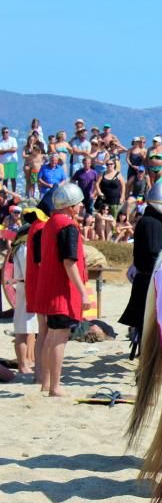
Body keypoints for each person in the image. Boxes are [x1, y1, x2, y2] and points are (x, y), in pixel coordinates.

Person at [35, 183, 92, 396]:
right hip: (61, 290)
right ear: (70, 206)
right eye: (78, 204)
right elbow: (69, 262)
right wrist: (83, 293)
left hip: (49, 287)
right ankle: (55, 386)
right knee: (59, 336)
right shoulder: (67, 227)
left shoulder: (50, 224)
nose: (80, 207)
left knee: (51, 336)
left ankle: (47, 383)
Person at [119, 183, 162, 351]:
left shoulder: (151, 221)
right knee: (149, 325)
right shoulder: (152, 224)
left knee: (147, 324)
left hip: (148, 279)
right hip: (150, 280)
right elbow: (155, 254)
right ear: (159, 204)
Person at [11, 207, 45, 376]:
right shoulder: (23, 249)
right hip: (26, 288)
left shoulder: (23, 247)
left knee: (29, 328)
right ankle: (23, 365)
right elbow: (27, 272)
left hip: (27, 288)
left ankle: (27, 362)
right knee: (23, 329)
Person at [0, 126, 19, 191]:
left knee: (13, 179)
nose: (5, 133)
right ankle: (5, 193)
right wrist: (9, 150)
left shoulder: (13, 139)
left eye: (6, 132)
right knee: (5, 179)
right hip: (3, 162)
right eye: (3, 132)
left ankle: (14, 192)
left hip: (12, 161)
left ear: (9, 133)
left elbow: (14, 149)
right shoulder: (0, 140)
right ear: (1, 133)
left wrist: (4, 150)